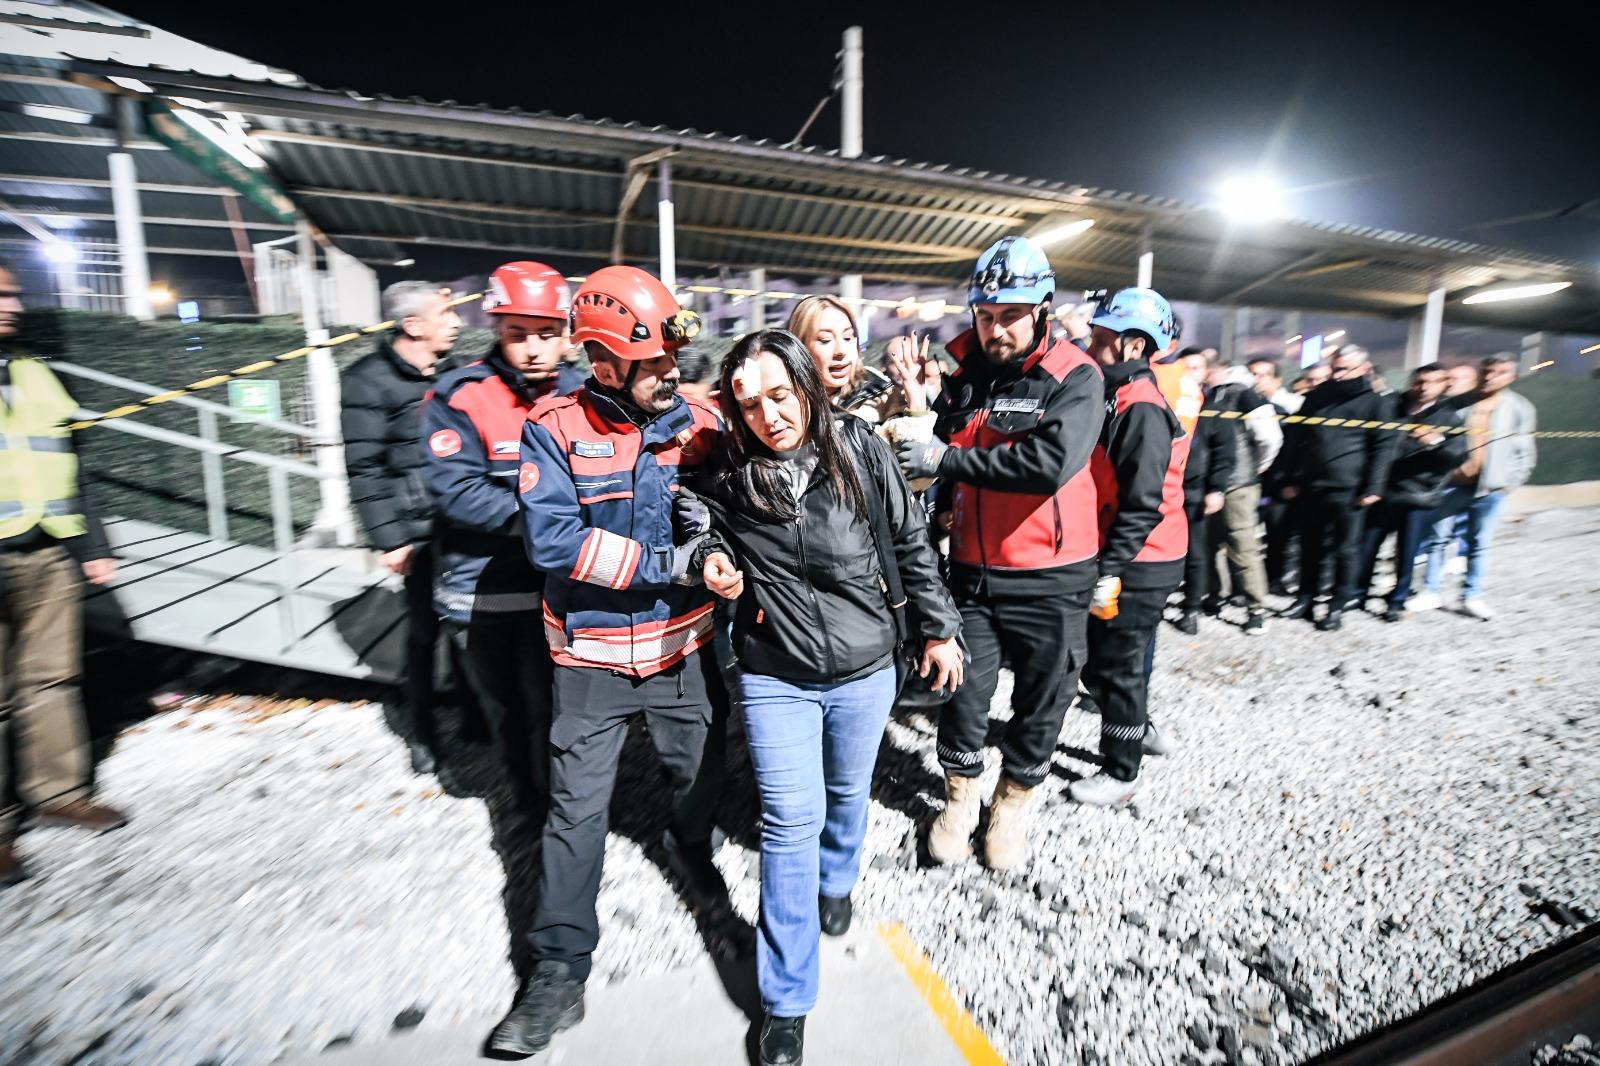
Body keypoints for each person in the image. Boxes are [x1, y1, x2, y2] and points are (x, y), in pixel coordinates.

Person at [701, 329, 963, 1066]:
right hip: (774, 671)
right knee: (789, 820)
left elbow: (911, 541)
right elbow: (695, 529)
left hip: (865, 669)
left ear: (807, 388)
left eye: (780, 395)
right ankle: (787, 1000)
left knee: (848, 791)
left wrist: (938, 630)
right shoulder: (726, 473)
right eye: (748, 404)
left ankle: (840, 876)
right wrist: (710, 558)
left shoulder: (857, 449)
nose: (768, 416)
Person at [491, 266, 729, 1056]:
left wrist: (717, 522)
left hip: (682, 653)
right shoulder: (554, 429)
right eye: (656, 361)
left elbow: (752, 485)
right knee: (574, 813)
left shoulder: (698, 422)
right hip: (588, 661)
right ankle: (558, 969)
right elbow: (554, 542)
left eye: (673, 358)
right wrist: (671, 562)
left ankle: (693, 856)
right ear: (604, 363)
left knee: (696, 777)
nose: (672, 373)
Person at [894, 236, 1102, 869]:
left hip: (1053, 574)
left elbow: (1049, 464)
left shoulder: (1075, 376)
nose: (995, 328)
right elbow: (937, 442)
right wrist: (920, 403)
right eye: (986, 315)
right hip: (975, 572)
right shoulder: (963, 370)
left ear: (1040, 309)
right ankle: (960, 799)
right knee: (962, 693)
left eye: (1009, 315)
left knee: (1043, 698)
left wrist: (945, 457)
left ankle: (1010, 806)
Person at [420, 262, 575, 815]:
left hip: (561, 593)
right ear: (497, 330)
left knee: (556, 708)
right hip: (483, 596)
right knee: (510, 710)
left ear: (566, 335)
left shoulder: (585, 395)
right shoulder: (460, 395)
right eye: (517, 334)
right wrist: (550, 521)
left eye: (546, 334)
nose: (533, 348)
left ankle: (567, 807)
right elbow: (456, 490)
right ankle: (530, 809)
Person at [0, 262, 128, 886]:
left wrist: (93, 543)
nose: (12, 305)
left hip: (48, 548)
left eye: (14, 293)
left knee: (52, 678)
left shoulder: (32, 372)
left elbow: (74, 461)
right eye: (0, 295)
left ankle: (58, 792)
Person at [341, 280, 462, 773]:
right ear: (413, 326)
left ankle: (476, 714)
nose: (455, 322)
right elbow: (364, 468)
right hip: (418, 534)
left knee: (472, 625)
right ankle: (424, 734)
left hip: (465, 522)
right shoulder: (366, 380)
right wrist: (390, 539)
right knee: (424, 633)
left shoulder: (454, 372)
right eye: (445, 313)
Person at [1073, 287, 1187, 806]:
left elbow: (1142, 504)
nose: (1090, 345)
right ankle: (1141, 730)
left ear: (1134, 346)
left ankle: (1122, 772)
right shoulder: (1123, 395)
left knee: (1111, 666)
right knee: (1113, 661)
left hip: (1142, 561)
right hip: (1138, 556)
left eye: (1100, 338)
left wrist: (1110, 568)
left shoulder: (1140, 407)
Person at [1279, 345, 1398, 630]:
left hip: (1351, 491)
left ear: (1364, 369)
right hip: (1312, 487)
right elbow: (1296, 438)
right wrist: (1290, 478)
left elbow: (1383, 448)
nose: (1338, 374)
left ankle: (1336, 605)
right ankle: (1306, 598)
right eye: (1336, 369)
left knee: (1345, 550)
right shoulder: (1317, 398)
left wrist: (1374, 487)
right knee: (1309, 546)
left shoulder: (1376, 403)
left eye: (1345, 369)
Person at [1413, 354, 1537, 620]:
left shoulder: (1519, 408)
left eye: (1499, 372)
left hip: (1491, 488)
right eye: (1487, 371)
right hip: (1451, 485)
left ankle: (1471, 596)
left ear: (1511, 377)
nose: (1490, 377)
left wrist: (1510, 483)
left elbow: (1524, 449)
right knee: (1437, 539)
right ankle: (1431, 592)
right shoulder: (1456, 404)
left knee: (1479, 543)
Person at [1356, 363, 1466, 622]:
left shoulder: (1450, 417)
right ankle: (1358, 593)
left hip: (1418, 496)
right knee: (1366, 547)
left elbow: (1458, 455)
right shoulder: (1392, 406)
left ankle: (1397, 600)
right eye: (1419, 381)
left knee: (1406, 552)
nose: (1424, 387)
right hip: (1382, 492)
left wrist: (1436, 443)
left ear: (1443, 385)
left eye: (1431, 382)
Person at [1204, 363, 1281, 633]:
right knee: (1238, 544)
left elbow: (1270, 437)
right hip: (1238, 481)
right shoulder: (1240, 395)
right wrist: (1258, 465)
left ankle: (1239, 601)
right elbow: (1270, 438)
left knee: (1228, 544)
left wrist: (1257, 465)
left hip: (1227, 482)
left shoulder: (1223, 395)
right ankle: (1250, 606)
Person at [1175, 351, 1233, 634]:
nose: (1189, 372)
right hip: (1162, 489)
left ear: (1206, 373)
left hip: (1196, 491)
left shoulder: (1213, 408)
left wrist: (1217, 489)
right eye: (1184, 367)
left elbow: (1224, 453)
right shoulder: (1165, 400)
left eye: (1195, 368)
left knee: (1197, 553)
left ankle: (1191, 608)